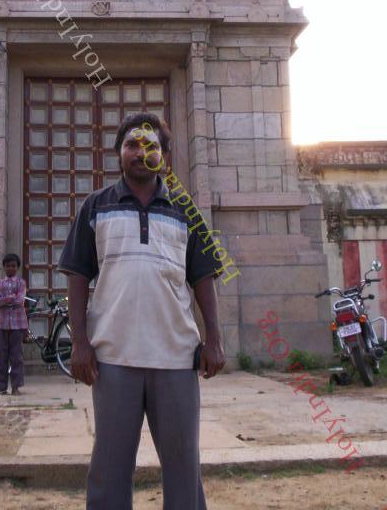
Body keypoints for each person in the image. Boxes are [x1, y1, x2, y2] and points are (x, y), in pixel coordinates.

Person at [58, 113, 225, 510]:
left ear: (164, 157)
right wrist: (79, 342)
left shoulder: (186, 212)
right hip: (113, 359)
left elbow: (203, 279)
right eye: (132, 143)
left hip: (176, 358)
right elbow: (78, 275)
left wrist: (214, 340)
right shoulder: (95, 206)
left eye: (151, 145)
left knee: (184, 467)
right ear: (119, 154)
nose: (140, 151)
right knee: (110, 468)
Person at [0, 253, 27, 396]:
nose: (10, 268)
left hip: (18, 325)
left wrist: (4, 300)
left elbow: (20, 300)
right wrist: (10, 298)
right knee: (1, 357)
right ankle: (1, 387)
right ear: (4, 267)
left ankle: (16, 386)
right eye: (7, 266)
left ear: (17, 267)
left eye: (13, 266)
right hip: (1, 325)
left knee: (16, 356)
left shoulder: (21, 283)